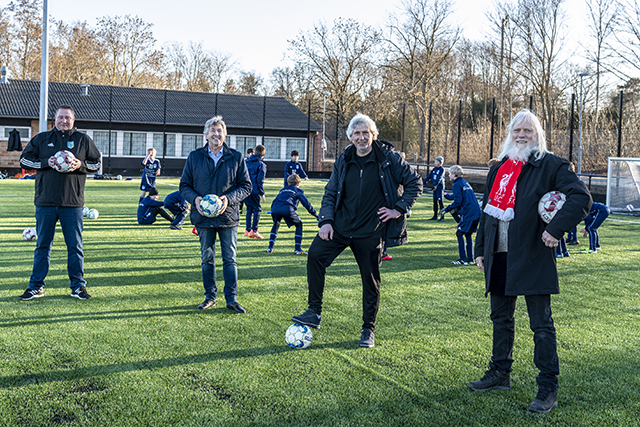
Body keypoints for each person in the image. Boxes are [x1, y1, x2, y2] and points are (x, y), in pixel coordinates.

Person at [471, 109, 592, 413]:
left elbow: (581, 197)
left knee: (541, 325)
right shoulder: (499, 167)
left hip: (532, 256)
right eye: (517, 130)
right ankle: (500, 373)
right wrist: (480, 248)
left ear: (538, 134)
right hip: (499, 255)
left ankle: (547, 387)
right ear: (509, 134)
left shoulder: (550, 165)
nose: (522, 135)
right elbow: (487, 210)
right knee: (500, 319)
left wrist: (555, 229)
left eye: (528, 130)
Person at [291, 113, 423, 348]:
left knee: (370, 280)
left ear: (373, 135)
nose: (361, 138)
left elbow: (416, 182)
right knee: (315, 255)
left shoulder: (389, 159)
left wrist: (398, 209)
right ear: (350, 137)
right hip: (341, 227)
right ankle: (314, 312)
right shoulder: (344, 159)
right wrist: (326, 222)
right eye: (357, 133)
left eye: (366, 133)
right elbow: (331, 192)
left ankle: (367, 329)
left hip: (370, 231)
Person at [18, 105, 101, 301]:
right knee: (42, 246)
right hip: (45, 202)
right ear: (54, 120)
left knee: (75, 246)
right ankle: (36, 287)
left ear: (74, 120)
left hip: (72, 204)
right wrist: (49, 162)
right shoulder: (41, 139)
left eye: (67, 118)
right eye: (60, 118)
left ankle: (78, 287)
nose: (64, 121)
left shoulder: (83, 140)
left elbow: (97, 163)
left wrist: (80, 165)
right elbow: (24, 161)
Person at [179, 116, 251, 313]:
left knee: (230, 259)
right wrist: (195, 200)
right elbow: (184, 185)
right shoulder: (194, 157)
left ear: (225, 135)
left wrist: (228, 199)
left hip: (228, 217)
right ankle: (210, 297)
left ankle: (232, 298)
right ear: (206, 134)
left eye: (219, 130)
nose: (216, 134)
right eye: (212, 130)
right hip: (203, 218)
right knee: (207, 259)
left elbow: (246, 186)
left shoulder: (236, 157)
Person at [267, 173, 318, 254]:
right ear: (298, 183)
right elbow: (306, 204)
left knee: (276, 224)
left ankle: (270, 248)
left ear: (288, 183)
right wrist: (315, 215)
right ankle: (297, 249)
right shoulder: (298, 190)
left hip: (275, 208)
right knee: (299, 224)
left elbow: (275, 200)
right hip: (287, 208)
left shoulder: (283, 190)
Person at [440, 165, 481, 265]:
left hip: (469, 212)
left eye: (449, 173)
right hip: (476, 211)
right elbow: (458, 196)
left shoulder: (456, 185)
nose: (449, 175)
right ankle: (470, 259)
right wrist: (447, 196)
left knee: (460, 233)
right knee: (468, 234)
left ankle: (463, 259)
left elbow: (458, 202)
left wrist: (447, 208)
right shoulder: (464, 182)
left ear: (454, 175)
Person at [244, 145, 267, 239]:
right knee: (257, 209)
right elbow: (259, 180)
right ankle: (254, 230)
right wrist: (262, 193)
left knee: (249, 209)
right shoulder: (262, 165)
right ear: (263, 154)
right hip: (254, 190)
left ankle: (247, 230)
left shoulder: (245, 162)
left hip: (245, 189)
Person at [426, 156, 445, 221]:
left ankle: (442, 216)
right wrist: (424, 182)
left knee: (440, 201)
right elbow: (429, 176)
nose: (435, 162)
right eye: (435, 161)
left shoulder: (442, 169)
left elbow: (439, 178)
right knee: (434, 201)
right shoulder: (434, 169)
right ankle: (435, 215)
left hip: (439, 187)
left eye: (437, 161)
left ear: (440, 163)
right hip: (435, 187)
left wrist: (436, 185)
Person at [239, 147, 254, 215]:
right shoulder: (245, 162)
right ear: (248, 154)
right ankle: (240, 209)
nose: (252, 155)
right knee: (242, 198)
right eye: (251, 154)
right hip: (243, 182)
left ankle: (251, 209)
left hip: (251, 182)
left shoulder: (254, 163)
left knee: (250, 198)